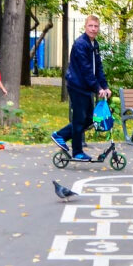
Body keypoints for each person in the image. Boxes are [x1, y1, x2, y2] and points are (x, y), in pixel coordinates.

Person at [52, 15, 111, 160]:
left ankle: (61, 135)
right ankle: (77, 152)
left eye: (96, 26)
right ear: (85, 27)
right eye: (90, 26)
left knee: (90, 119)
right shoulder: (80, 44)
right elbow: (86, 70)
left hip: (86, 87)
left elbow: (98, 68)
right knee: (79, 119)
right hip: (77, 85)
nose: (93, 29)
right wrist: (98, 88)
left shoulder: (93, 44)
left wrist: (105, 86)